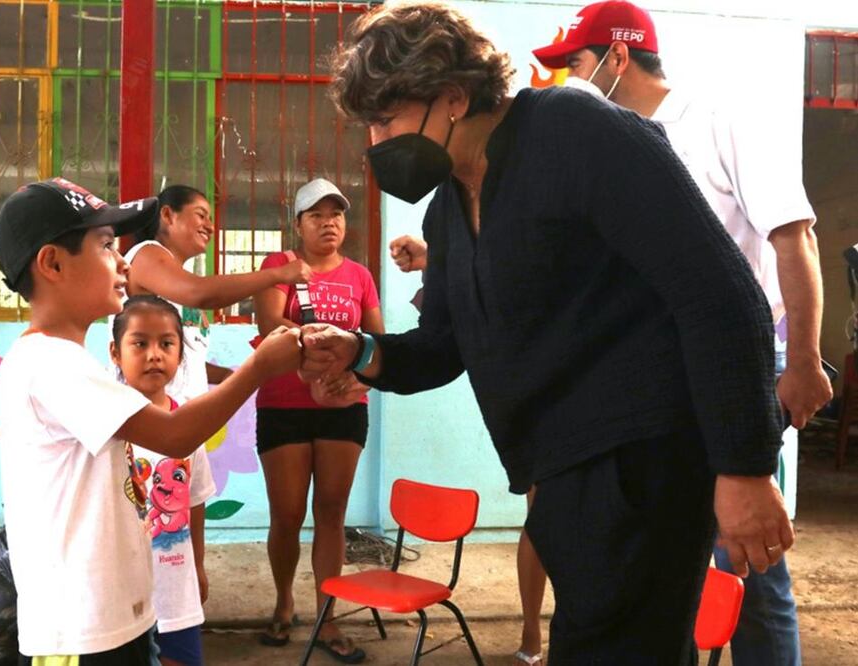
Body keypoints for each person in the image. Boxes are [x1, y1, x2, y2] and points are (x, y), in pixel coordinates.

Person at [303, 3, 795, 662]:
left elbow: (720, 293)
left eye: (385, 120)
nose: (376, 143)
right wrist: (360, 352)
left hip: (643, 462)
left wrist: (744, 468)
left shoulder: (574, 132)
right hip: (560, 475)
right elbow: (444, 344)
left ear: (453, 95)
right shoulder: (450, 207)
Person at [532, 3, 832, 664]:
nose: (567, 83)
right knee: (660, 564)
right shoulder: (610, 147)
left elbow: (794, 237)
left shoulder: (718, 122)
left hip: (731, 369)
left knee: (746, 559)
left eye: (575, 65)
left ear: (617, 57)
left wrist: (804, 361)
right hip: (647, 384)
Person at [0, 177, 302, 665]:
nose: (122, 262)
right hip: (80, 635)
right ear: (52, 263)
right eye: (105, 245)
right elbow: (174, 434)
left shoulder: (66, 361)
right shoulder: (49, 364)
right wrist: (259, 368)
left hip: (107, 622)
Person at [390, 234, 548, 666]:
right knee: (543, 518)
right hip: (535, 399)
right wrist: (436, 261)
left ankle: (567, 632)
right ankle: (533, 632)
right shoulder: (485, 245)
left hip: (585, 387)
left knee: (579, 522)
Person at [253, 178, 383, 663]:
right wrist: (327, 349)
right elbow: (270, 326)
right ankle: (284, 602)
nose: (329, 223)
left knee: (331, 513)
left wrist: (356, 382)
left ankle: (327, 618)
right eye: (317, 215)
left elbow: (377, 342)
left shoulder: (360, 276)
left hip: (344, 408)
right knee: (286, 515)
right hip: (284, 403)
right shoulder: (280, 266)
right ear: (299, 224)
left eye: (337, 214)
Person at [124, 185, 313, 403]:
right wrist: (277, 274)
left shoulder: (178, 281)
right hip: (147, 413)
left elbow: (184, 361)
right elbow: (201, 293)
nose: (210, 227)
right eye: (201, 215)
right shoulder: (146, 254)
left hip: (181, 414)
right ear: (167, 215)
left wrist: (224, 375)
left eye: (210, 219)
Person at [110, 295, 216, 666]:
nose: (154, 355)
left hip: (175, 590)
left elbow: (195, 501)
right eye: (140, 343)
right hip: (120, 593)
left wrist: (198, 566)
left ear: (180, 355)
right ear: (115, 353)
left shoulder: (188, 429)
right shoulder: (105, 426)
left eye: (166, 344)